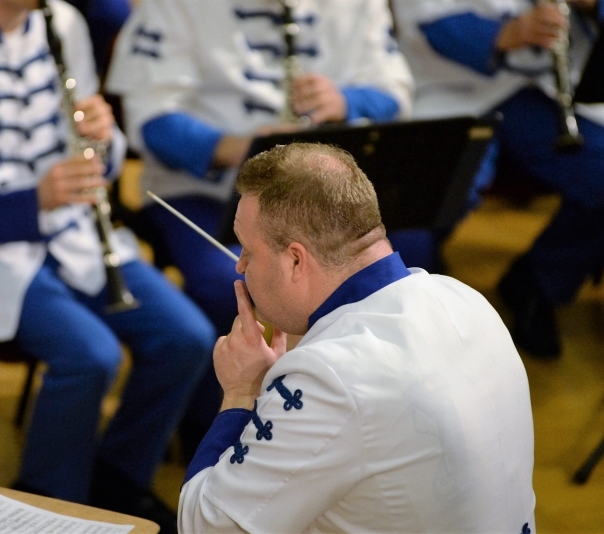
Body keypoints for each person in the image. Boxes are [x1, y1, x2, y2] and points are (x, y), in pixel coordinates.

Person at [0, 0, 215, 529]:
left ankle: (115, 484)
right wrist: (32, 200)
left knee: (187, 339)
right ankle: (44, 502)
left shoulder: (63, 22)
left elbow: (89, 151)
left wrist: (102, 142)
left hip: (75, 234)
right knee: (91, 356)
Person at [104, 0, 431, 459]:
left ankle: (359, 411)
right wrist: (245, 148)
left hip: (321, 197)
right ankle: (215, 428)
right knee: (232, 285)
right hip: (207, 193)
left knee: (404, 252)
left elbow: (395, 92)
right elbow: (150, 122)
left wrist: (345, 100)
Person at [177, 143, 536, 533]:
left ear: (296, 260)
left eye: (247, 250)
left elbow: (204, 525)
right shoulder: (466, 300)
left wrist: (240, 393)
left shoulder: (328, 377)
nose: (241, 266)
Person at [389, 0, 604, 358]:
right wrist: (503, 34)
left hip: (549, 92)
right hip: (452, 89)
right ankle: (425, 301)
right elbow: (423, 19)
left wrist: (594, 5)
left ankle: (538, 283)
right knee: (436, 192)